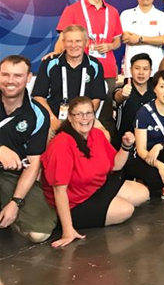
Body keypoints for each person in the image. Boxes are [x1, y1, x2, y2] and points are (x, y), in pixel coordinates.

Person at [40, 97, 149, 248]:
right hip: (75, 201)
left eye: (88, 113)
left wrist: (126, 146)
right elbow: (59, 191)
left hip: (94, 186)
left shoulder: (96, 134)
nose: (85, 118)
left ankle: (106, 203)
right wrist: (68, 230)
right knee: (126, 210)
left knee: (143, 193)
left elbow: (115, 166)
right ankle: (68, 221)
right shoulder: (61, 144)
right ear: (70, 117)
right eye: (79, 114)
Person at [0, 55, 55, 243]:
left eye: (17, 75)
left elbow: (33, 164)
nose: (10, 81)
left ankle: (9, 215)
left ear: (29, 78)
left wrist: (15, 203)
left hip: (11, 175)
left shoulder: (38, 114)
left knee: (40, 233)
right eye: (5, 74)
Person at [53, 0, 122, 97]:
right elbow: (62, 40)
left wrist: (110, 46)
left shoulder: (113, 11)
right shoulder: (72, 10)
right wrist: (56, 62)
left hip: (107, 69)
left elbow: (117, 41)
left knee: (105, 107)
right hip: (78, 68)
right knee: (78, 106)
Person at [125, 70, 164, 203]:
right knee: (155, 179)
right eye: (162, 86)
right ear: (154, 89)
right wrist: (160, 166)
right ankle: (142, 181)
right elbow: (140, 149)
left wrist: (159, 146)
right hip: (143, 157)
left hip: (162, 151)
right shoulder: (144, 112)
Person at [33, 25, 106, 136]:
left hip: (84, 118)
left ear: (86, 43)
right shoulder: (49, 63)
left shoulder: (95, 65)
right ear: (63, 43)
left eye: (78, 41)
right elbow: (38, 96)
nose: (73, 45)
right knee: (45, 138)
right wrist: (52, 119)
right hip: (54, 117)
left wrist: (84, 118)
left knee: (104, 136)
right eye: (69, 41)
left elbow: (96, 99)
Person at [120, 0, 164, 76]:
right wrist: (155, 40)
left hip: (155, 66)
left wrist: (140, 38)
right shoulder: (126, 14)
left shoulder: (162, 16)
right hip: (132, 67)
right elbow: (126, 38)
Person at [113, 53, 155, 149]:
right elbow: (118, 96)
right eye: (137, 68)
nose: (141, 73)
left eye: (145, 69)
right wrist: (123, 94)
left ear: (150, 71)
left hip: (151, 141)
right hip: (124, 141)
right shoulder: (123, 88)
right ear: (131, 70)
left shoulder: (156, 90)